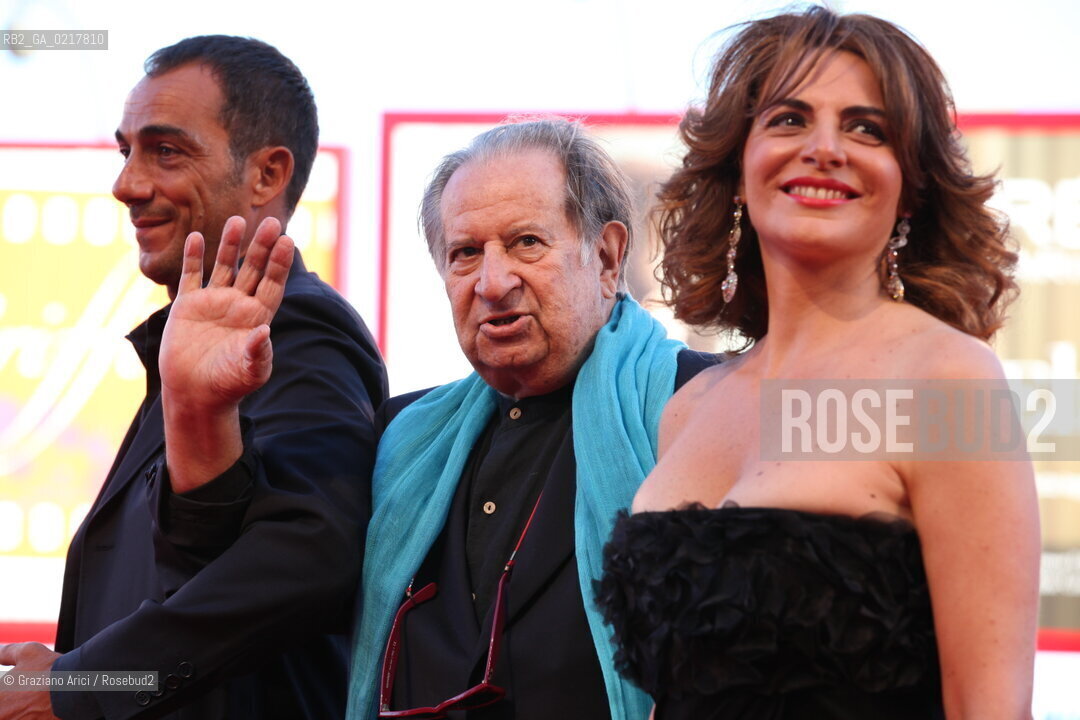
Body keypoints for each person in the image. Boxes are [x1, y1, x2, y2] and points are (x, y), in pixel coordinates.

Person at [597, 7, 1039, 720]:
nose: (826, 147)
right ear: (738, 168)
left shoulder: (948, 381)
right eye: (789, 120)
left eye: (867, 128)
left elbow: (989, 707)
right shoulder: (690, 409)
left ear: (910, 187)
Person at [0, 36, 387, 720]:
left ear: (268, 174)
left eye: (166, 150)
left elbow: (310, 555)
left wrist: (82, 688)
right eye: (126, 151)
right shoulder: (184, 351)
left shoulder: (296, 330)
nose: (127, 183)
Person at [344, 119, 719, 720]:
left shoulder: (706, 404)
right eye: (466, 253)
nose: (493, 283)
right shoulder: (401, 438)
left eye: (526, 243)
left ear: (606, 256)